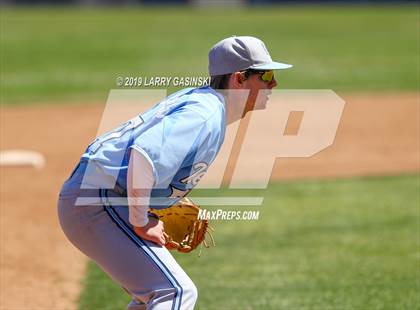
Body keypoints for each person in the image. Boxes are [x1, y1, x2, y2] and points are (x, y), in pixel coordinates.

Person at [57, 36, 292, 310]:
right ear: (239, 79)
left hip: (97, 197)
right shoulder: (204, 114)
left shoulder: (206, 103)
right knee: (176, 293)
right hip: (97, 201)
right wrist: (140, 219)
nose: (273, 83)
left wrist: (154, 203)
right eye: (266, 74)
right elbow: (144, 154)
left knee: (154, 295)